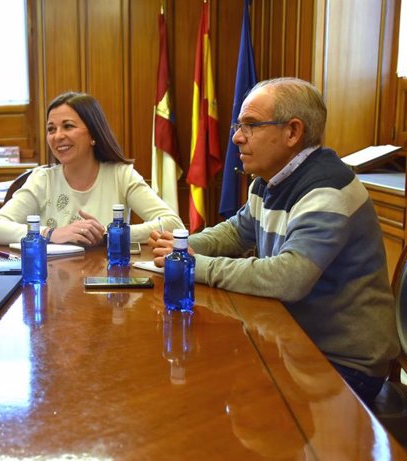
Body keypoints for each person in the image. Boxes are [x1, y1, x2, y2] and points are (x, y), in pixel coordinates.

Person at [149, 77, 399, 404]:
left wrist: (194, 265)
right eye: (239, 126)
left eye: (251, 125)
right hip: (293, 341)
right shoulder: (269, 179)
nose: (237, 137)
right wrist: (183, 247)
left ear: (292, 132)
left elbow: (288, 277)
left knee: (210, 390)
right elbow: (237, 231)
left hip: (343, 361)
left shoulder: (327, 190)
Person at [0, 91, 184, 245]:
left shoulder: (121, 174)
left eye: (68, 126)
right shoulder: (42, 179)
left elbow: (173, 224)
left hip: (108, 283)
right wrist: (50, 233)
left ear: (93, 134)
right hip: (53, 284)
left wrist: (107, 233)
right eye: (51, 129)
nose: (57, 136)